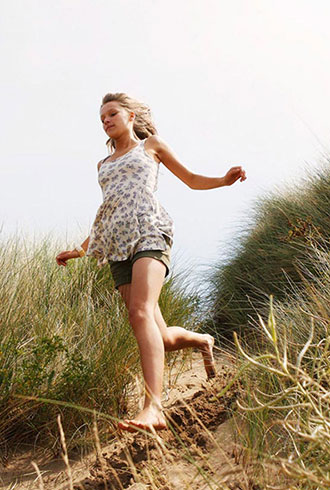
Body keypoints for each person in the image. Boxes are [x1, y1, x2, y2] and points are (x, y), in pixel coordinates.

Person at [56, 92, 246, 432]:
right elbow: (108, 210)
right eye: (102, 117)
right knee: (163, 336)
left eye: (112, 113)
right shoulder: (103, 165)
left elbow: (190, 179)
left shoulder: (151, 147)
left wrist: (223, 180)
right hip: (116, 246)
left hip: (150, 233)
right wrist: (81, 249)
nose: (106, 120)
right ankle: (203, 340)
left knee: (139, 312)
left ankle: (153, 408)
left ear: (130, 117)